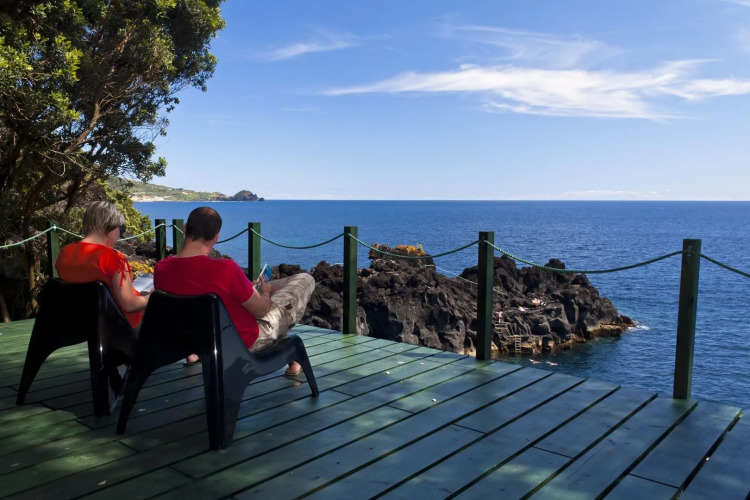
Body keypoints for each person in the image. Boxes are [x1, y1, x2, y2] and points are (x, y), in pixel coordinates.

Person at [153, 207, 316, 375]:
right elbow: (261, 310)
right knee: (305, 280)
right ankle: (291, 353)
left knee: (266, 290)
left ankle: (292, 359)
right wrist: (266, 293)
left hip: (196, 343)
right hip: (241, 343)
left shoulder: (161, 268)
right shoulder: (225, 269)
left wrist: (248, 290)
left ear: (185, 228)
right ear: (216, 238)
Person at [56, 201, 149, 329]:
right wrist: (151, 297)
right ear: (109, 225)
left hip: (81, 323)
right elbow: (129, 305)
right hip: (117, 326)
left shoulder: (65, 253)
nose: (119, 234)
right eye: (120, 228)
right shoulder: (113, 258)